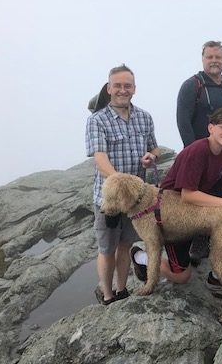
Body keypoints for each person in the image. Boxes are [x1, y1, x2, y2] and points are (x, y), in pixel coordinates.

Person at [130, 107, 222, 295]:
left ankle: (217, 271)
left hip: (197, 205)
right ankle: (141, 258)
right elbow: (187, 194)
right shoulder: (197, 151)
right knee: (182, 277)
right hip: (173, 210)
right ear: (211, 128)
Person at [86, 64, 160, 305]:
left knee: (126, 243)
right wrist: (120, 181)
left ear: (134, 89)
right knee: (107, 249)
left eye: (127, 86)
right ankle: (107, 295)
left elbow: (154, 147)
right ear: (109, 88)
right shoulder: (97, 120)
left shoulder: (144, 117)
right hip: (108, 200)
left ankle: (121, 289)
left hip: (136, 201)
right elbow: (100, 158)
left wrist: (152, 157)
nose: (122, 90)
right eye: (117, 85)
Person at [176, 41, 222, 262]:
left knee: (218, 193)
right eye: (210, 57)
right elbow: (183, 120)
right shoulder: (192, 85)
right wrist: (191, 152)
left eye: (218, 57)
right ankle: (189, 242)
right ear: (203, 59)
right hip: (198, 153)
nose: (214, 61)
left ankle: (208, 241)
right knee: (196, 198)